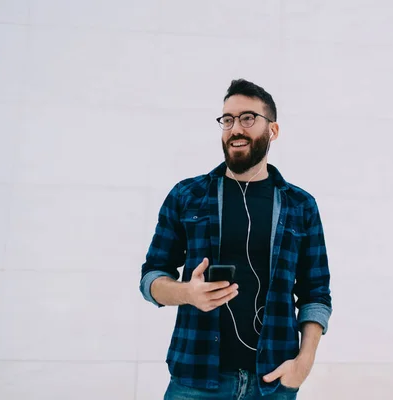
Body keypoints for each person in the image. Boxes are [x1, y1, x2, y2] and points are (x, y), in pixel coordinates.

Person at [140, 79, 333, 399]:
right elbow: (152, 277)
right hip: (195, 379)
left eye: (248, 118)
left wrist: (304, 361)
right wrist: (187, 293)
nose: (235, 128)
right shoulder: (188, 195)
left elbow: (316, 293)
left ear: (273, 130)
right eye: (227, 119)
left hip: (272, 382)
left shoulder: (300, 205)